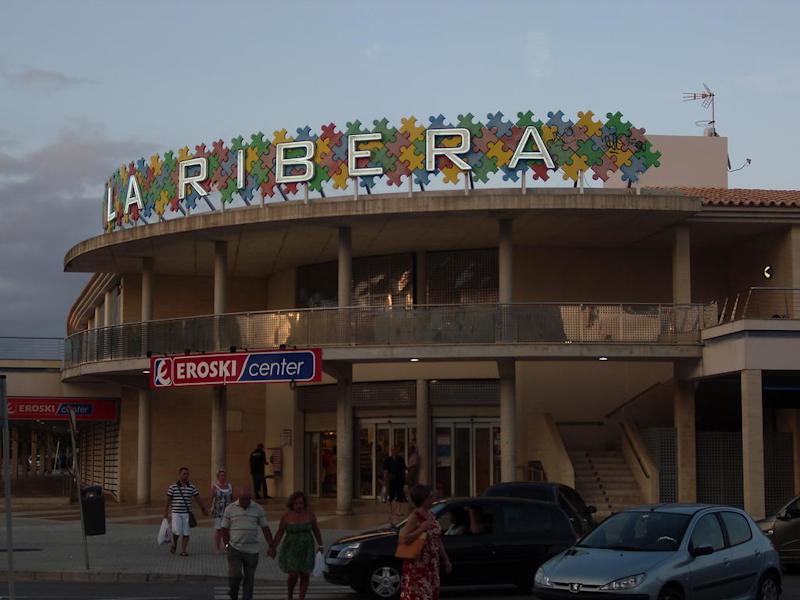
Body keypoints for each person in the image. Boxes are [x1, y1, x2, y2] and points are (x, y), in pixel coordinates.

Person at [399, 484, 452, 600]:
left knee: (432, 593)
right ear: (424, 499)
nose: (433, 499)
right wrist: (421, 529)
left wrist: (446, 559)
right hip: (418, 564)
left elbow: (437, 539)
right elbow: (405, 539)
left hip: (431, 564)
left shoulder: (431, 515)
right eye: (430, 497)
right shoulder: (415, 516)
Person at [269, 491, 324, 600]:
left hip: (306, 547)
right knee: (293, 574)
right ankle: (290, 595)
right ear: (292, 504)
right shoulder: (286, 516)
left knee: (305, 573)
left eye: (301, 503)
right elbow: (280, 532)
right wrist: (273, 547)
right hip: (291, 548)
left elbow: (316, 530)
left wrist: (321, 545)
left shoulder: (310, 514)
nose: (299, 506)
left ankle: (301, 597)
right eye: (296, 503)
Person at [221, 486, 274, 600]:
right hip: (235, 548)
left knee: (249, 579)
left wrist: (271, 545)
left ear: (251, 498)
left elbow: (265, 528)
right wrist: (226, 545)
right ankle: (233, 593)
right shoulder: (230, 508)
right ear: (238, 498)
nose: (245, 502)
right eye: (242, 499)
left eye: (247, 499)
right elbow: (224, 529)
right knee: (235, 576)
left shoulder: (257, 508)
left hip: (252, 551)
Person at [163, 467, 208, 556]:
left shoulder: (192, 487)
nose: (186, 476)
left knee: (186, 533)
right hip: (176, 512)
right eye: (184, 474)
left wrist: (203, 509)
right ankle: (174, 543)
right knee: (177, 531)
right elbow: (168, 500)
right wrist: (165, 512)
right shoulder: (173, 487)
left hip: (187, 513)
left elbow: (198, 498)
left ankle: (183, 551)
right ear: (179, 475)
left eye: (187, 474)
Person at [211, 469, 234, 553]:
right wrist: (210, 508)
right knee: (219, 530)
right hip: (218, 511)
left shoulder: (230, 486)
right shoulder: (215, 487)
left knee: (227, 530)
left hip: (228, 511)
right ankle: (217, 547)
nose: (223, 477)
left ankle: (226, 546)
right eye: (221, 475)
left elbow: (232, 498)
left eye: (224, 475)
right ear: (218, 477)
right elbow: (211, 498)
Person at [383, 446, 407, 518]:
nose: (393, 451)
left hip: (399, 479)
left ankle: (398, 510)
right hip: (391, 479)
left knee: (400, 494)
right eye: (392, 450)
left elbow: (404, 469)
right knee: (391, 494)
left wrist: (405, 478)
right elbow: (385, 470)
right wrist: (385, 479)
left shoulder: (401, 459)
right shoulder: (388, 460)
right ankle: (390, 510)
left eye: (395, 450)